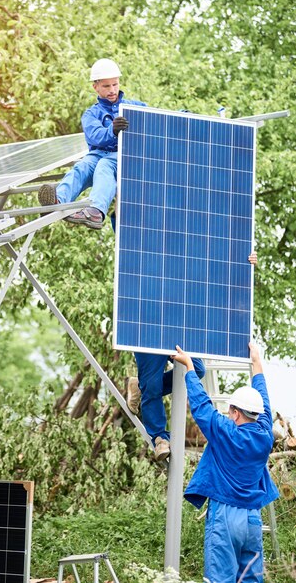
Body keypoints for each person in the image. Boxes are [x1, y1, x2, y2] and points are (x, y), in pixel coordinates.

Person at [126, 252, 258, 462]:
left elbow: (218, 265)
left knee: (197, 369)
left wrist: (243, 263)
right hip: (149, 321)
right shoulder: (152, 248)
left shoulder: (187, 252)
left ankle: (139, 387)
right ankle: (159, 437)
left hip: (177, 320)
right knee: (151, 385)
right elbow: (130, 239)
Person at [172, 342, 279, 583]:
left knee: (220, 579)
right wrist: (257, 363)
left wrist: (189, 366)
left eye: (230, 410)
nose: (228, 414)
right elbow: (263, 399)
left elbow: (201, 408)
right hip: (253, 518)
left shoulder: (225, 433)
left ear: (237, 413)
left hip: (225, 516)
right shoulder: (265, 434)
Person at [37, 58, 146, 229]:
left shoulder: (134, 107)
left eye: (115, 85)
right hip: (98, 154)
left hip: (122, 155)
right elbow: (95, 136)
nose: (112, 90)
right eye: (106, 86)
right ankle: (57, 200)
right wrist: (112, 130)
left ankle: (96, 211)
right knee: (83, 167)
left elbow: (158, 118)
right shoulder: (91, 114)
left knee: (104, 166)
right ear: (95, 86)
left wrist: (182, 117)